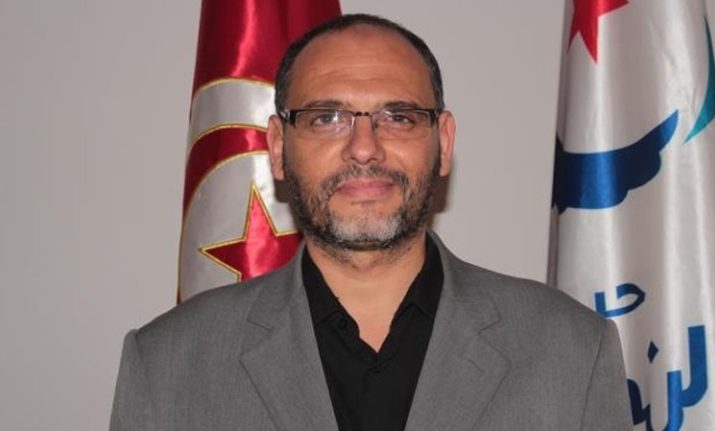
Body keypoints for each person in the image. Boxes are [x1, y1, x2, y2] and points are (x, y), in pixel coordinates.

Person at [110, 13, 632, 431]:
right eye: (327, 118)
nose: (364, 148)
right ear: (278, 148)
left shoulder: (571, 350)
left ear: (443, 142)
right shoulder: (166, 364)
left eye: (398, 117)